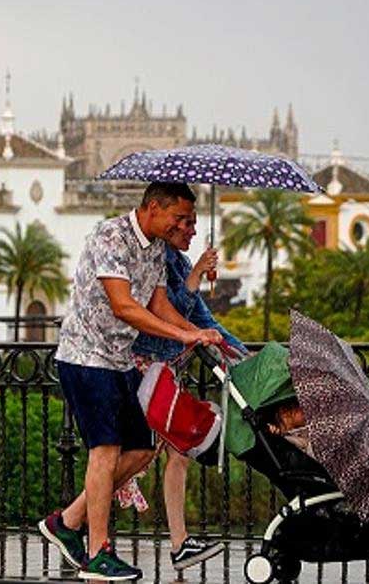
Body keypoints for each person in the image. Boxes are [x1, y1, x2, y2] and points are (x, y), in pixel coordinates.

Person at [38, 182, 223, 581]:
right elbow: (124, 306)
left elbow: (158, 304)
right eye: (179, 217)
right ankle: (97, 553)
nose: (183, 226)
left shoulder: (156, 248)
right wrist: (184, 336)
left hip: (118, 360)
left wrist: (196, 330)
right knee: (104, 452)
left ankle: (67, 523)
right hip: (86, 357)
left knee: (142, 449)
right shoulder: (111, 237)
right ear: (153, 208)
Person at [130, 214, 246, 570]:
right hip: (146, 370)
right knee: (132, 459)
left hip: (165, 372)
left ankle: (180, 544)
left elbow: (202, 319)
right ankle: (70, 523)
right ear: (172, 223)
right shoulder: (158, 258)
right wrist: (197, 273)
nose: (194, 231)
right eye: (188, 224)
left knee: (175, 454)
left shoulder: (177, 261)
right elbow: (167, 312)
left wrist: (241, 354)